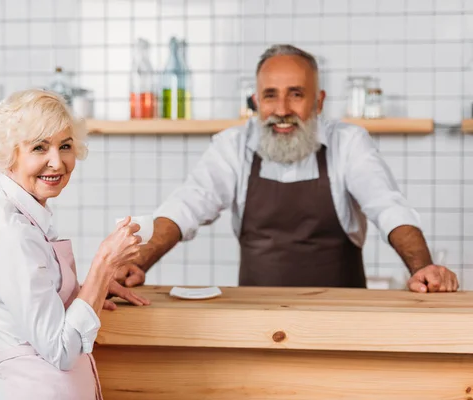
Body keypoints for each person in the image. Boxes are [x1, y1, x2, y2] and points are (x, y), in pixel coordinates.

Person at [116, 44, 459, 293]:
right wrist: (139, 261)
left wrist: (423, 268)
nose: (282, 109)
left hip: (344, 321)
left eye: (296, 94)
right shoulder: (232, 146)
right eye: (270, 95)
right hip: (255, 322)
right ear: (256, 101)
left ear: (319, 100)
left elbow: (388, 207)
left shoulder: (349, 143)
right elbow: (186, 207)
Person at [0, 89, 150, 400]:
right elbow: (61, 349)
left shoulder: (18, 212)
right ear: (11, 154)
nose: (57, 162)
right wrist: (104, 265)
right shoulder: (12, 231)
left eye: (65, 146)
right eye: (39, 147)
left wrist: (89, 289)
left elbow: (36, 296)